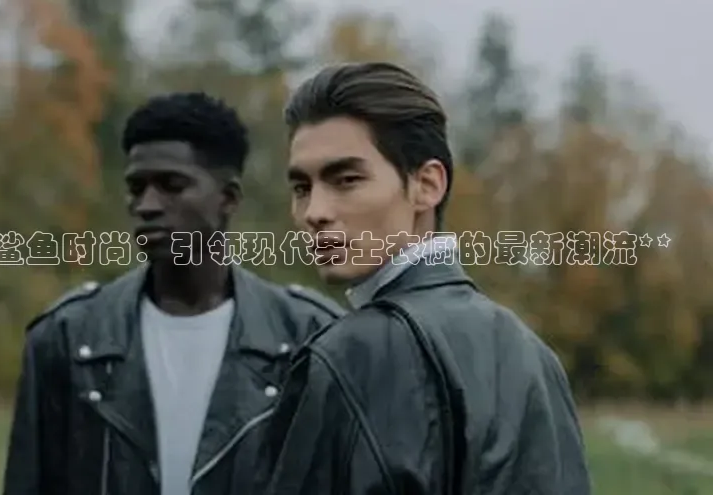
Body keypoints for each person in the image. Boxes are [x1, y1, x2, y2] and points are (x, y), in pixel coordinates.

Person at [252, 62, 591, 494]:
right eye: (302, 188)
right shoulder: (533, 355)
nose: (314, 212)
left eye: (346, 180)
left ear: (427, 185)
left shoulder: (347, 355)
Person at [1, 92, 344, 495]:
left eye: (171, 186)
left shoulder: (310, 339)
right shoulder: (68, 337)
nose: (147, 205)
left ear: (228, 198)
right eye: (136, 188)